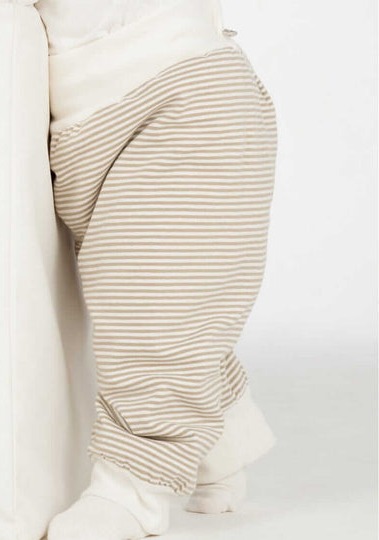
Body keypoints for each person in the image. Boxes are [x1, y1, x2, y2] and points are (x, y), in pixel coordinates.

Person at [32, 0, 278, 538]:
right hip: (84, 114)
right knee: (137, 297)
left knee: (155, 311)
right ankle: (222, 437)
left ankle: (132, 488)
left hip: (182, 93)